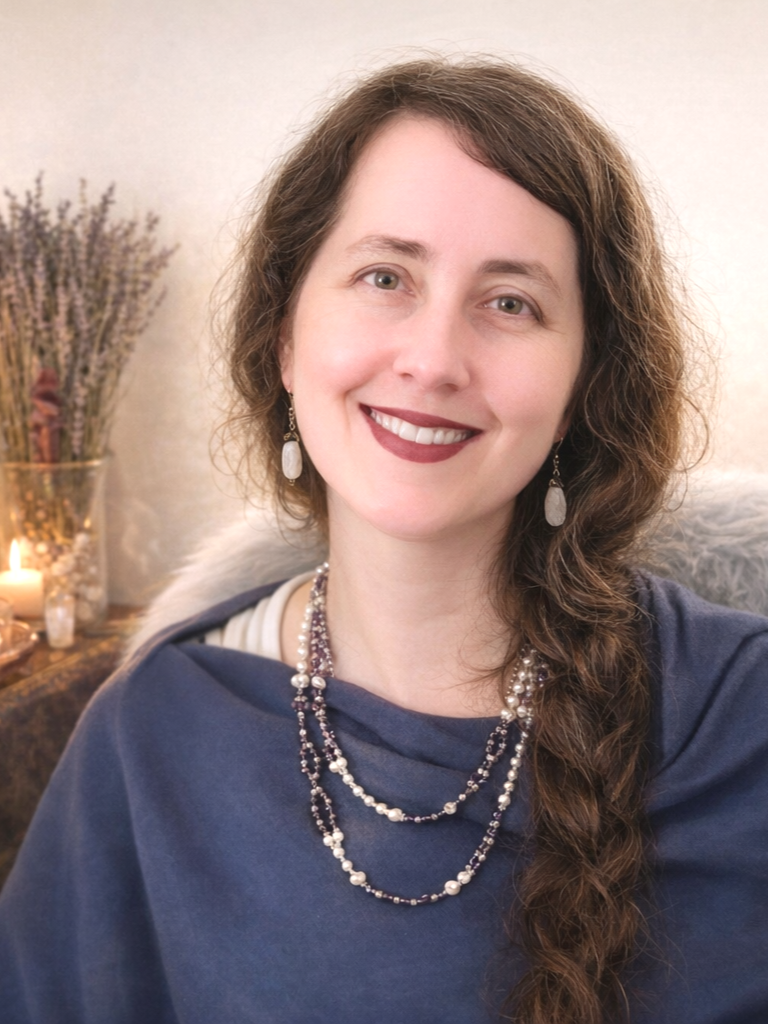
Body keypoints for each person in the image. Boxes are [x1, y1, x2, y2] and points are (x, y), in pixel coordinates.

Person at [1, 57, 767, 1024]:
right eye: (385, 277)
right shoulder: (152, 730)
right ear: (286, 336)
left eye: (511, 301)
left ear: (584, 386)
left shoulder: (743, 715)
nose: (434, 360)